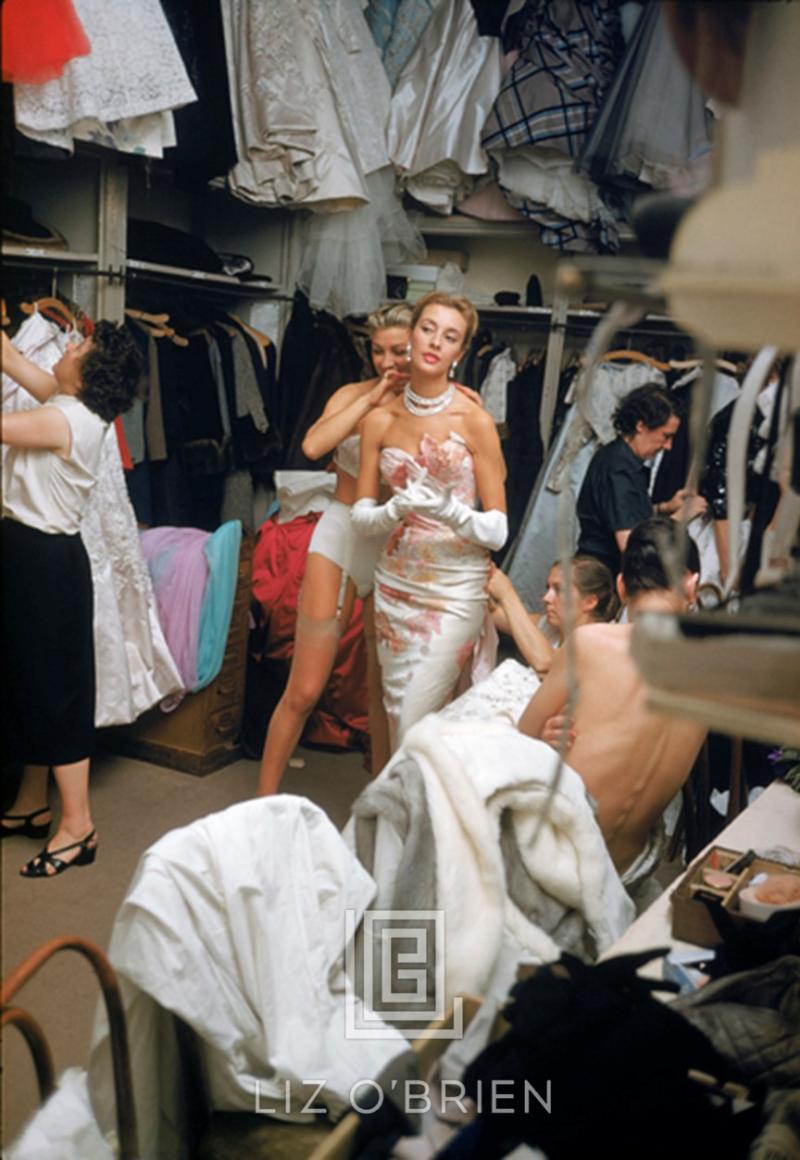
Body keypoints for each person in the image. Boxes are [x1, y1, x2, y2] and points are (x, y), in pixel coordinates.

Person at [1, 324, 142, 877]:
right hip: (29, 557)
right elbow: (12, 359)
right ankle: (32, 802)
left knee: (56, 692)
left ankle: (77, 826)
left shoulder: (65, 419)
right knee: (30, 682)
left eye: (77, 349)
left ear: (89, 375)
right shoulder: (69, 406)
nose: (66, 347)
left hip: (45, 565)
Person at [257, 303, 414, 796]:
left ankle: (381, 805)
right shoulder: (353, 395)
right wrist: (373, 399)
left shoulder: (432, 408)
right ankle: (261, 806)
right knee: (303, 688)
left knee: (382, 690)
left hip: (393, 543)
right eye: (379, 350)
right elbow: (312, 446)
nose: (388, 361)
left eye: (400, 351)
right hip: (341, 530)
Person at [352, 291, 508, 747]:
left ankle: (408, 816)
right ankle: (413, 816)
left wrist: (449, 510)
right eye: (428, 328)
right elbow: (362, 518)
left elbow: (498, 530)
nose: (435, 341)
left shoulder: (474, 419)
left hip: (455, 588)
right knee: (397, 710)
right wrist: (395, 509)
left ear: (460, 352)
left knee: (411, 721)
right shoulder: (378, 420)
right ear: (412, 334)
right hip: (395, 586)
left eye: (450, 336)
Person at [518, 516, 706, 875]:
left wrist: (541, 739)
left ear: (621, 587)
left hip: (555, 860)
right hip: (627, 872)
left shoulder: (589, 644)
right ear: (691, 585)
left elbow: (519, 743)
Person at [576, 383, 707, 576]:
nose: (668, 446)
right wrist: (681, 518)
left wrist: (664, 508)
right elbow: (631, 545)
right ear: (641, 425)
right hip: (601, 577)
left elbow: (624, 514)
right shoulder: (619, 469)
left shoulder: (621, 458)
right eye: (666, 436)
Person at [487, 556, 620, 676]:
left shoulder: (600, 643)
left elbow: (545, 663)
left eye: (559, 590)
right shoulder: (550, 626)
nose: (546, 598)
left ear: (590, 602)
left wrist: (508, 595)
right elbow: (495, 615)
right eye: (548, 588)